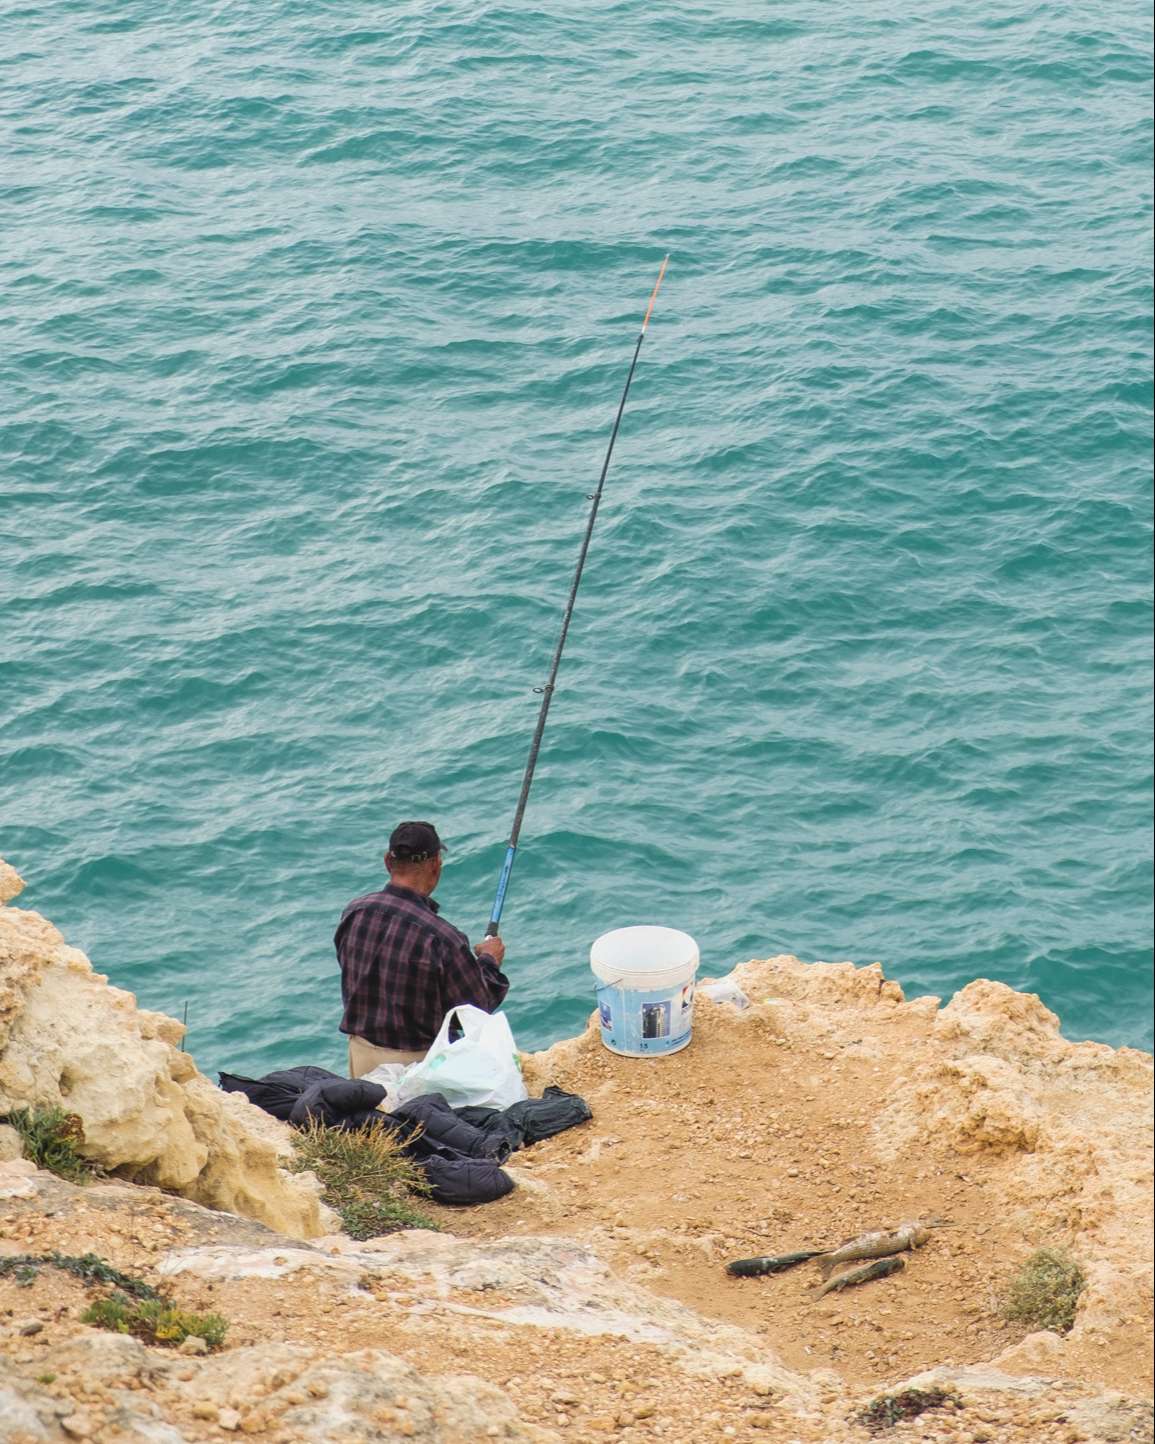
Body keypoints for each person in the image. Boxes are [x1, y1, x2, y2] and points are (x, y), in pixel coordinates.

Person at [335, 820, 509, 1078]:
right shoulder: (443, 938)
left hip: (361, 1058)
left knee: (372, 1120)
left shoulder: (354, 913)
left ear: (387, 861)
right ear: (435, 865)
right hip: (418, 1068)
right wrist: (488, 962)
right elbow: (475, 1010)